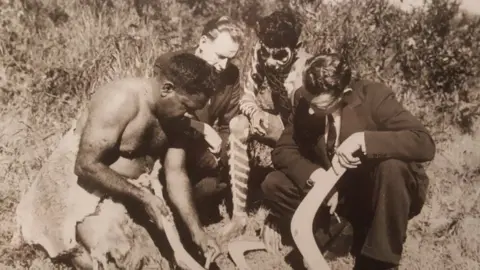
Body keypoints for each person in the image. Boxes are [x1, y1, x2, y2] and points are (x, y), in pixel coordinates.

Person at [15, 53, 220, 269]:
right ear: (167, 89)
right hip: (83, 185)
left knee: (160, 259)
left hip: (131, 189)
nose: (189, 116)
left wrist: (198, 233)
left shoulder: (176, 117)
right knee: (118, 256)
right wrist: (145, 198)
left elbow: (176, 174)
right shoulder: (120, 100)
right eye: (186, 107)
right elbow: (85, 165)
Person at [260, 53, 436, 270]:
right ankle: (339, 232)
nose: (311, 110)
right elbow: (283, 150)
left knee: (393, 167)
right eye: (309, 100)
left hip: (378, 194)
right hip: (340, 196)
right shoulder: (304, 100)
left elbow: (424, 142)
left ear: (343, 94)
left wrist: (364, 140)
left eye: (320, 105)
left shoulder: (374, 96)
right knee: (274, 183)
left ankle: (380, 260)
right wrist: (318, 177)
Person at [152, 16, 245, 239]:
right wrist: (201, 128)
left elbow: (228, 124)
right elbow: (158, 114)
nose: (224, 65)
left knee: (209, 188)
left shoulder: (230, 74)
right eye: (220, 56)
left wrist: (218, 154)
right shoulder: (170, 63)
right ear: (203, 42)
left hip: (202, 152)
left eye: (230, 58)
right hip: (171, 142)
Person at [223, 9, 312, 239]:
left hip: (303, 135)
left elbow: (309, 137)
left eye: (280, 55)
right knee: (238, 125)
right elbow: (247, 95)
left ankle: (282, 208)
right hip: (281, 122)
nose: (270, 62)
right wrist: (255, 113)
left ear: (298, 46)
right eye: (266, 53)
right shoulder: (261, 52)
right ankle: (239, 215)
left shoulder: (306, 69)